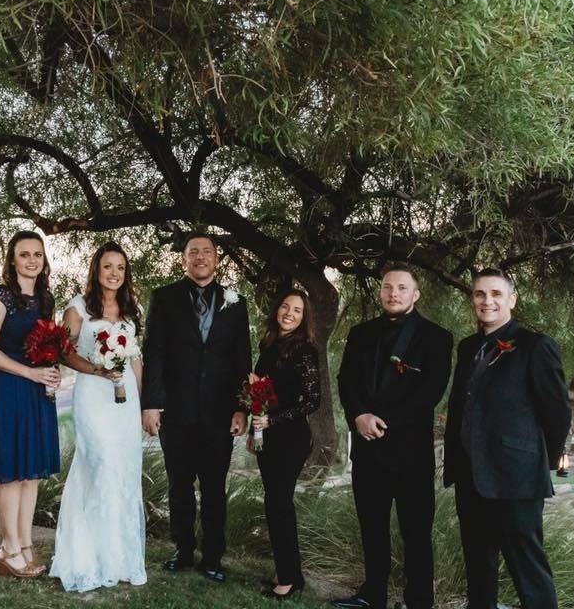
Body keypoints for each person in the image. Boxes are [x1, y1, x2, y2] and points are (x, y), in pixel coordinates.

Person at [443, 268, 571, 609]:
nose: (488, 301)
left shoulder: (536, 346)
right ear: (473, 299)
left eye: (496, 294)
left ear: (512, 299)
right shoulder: (467, 347)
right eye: (480, 294)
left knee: (528, 569)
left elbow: (557, 414)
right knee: (478, 566)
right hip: (470, 476)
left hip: (517, 478)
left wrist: (538, 461)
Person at [332, 266, 453, 609]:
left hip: (411, 455)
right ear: (380, 292)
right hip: (367, 452)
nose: (393, 293)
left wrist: (382, 422)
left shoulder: (437, 337)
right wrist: (359, 416)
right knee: (372, 529)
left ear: (416, 294)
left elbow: (430, 393)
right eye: (387, 287)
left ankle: (418, 602)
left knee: (416, 534)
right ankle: (373, 596)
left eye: (402, 287)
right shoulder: (360, 333)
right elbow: (346, 380)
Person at [141, 232, 251, 583]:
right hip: (176, 410)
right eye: (193, 252)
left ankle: (214, 556)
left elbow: (241, 359)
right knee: (179, 485)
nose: (200, 257)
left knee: (215, 486)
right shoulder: (164, 298)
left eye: (206, 252)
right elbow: (153, 353)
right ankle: (183, 549)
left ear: (217, 259)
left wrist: (242, 408)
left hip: (220, 414)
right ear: (184, 259)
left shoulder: (236, 303)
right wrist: (152, 404)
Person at [50, 241, 147, 592]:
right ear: (96, 269)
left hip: (126, 400)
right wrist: (96, 368)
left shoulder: (132, 310)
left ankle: (118, 558)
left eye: (120, 267)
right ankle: (86, 556)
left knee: (122, 470)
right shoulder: (78, 308)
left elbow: (135, 359)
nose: (114, 273)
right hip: (93, 393)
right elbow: (63, 351)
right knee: (99, 463)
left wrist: (144, 404)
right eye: (108, 266)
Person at [0, 231, 61, 578]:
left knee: (31, 475)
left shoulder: (46, 300)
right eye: (24, 254)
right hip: (11, 388)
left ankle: (25, 545)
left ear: (44, 261)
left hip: (37, 391)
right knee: (12, 474)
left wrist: (50, 368)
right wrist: (29, 371)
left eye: (37, 255)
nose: (31, 260)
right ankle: (8, 549)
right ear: (12, 259)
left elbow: (50, 343)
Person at [249, 289, 321, 601]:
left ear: (304, 319)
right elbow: (258, 396)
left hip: (290, 438)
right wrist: (256, 432)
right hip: (267, 437)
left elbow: (312, 401)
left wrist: (272, 421)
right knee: (275, 504)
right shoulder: (268, 346)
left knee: (279, 504)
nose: (289, 313)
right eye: (285, 307)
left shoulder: (304, 351)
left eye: (297, 311)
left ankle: (289, 579)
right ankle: (289, 571)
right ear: (277, 309)